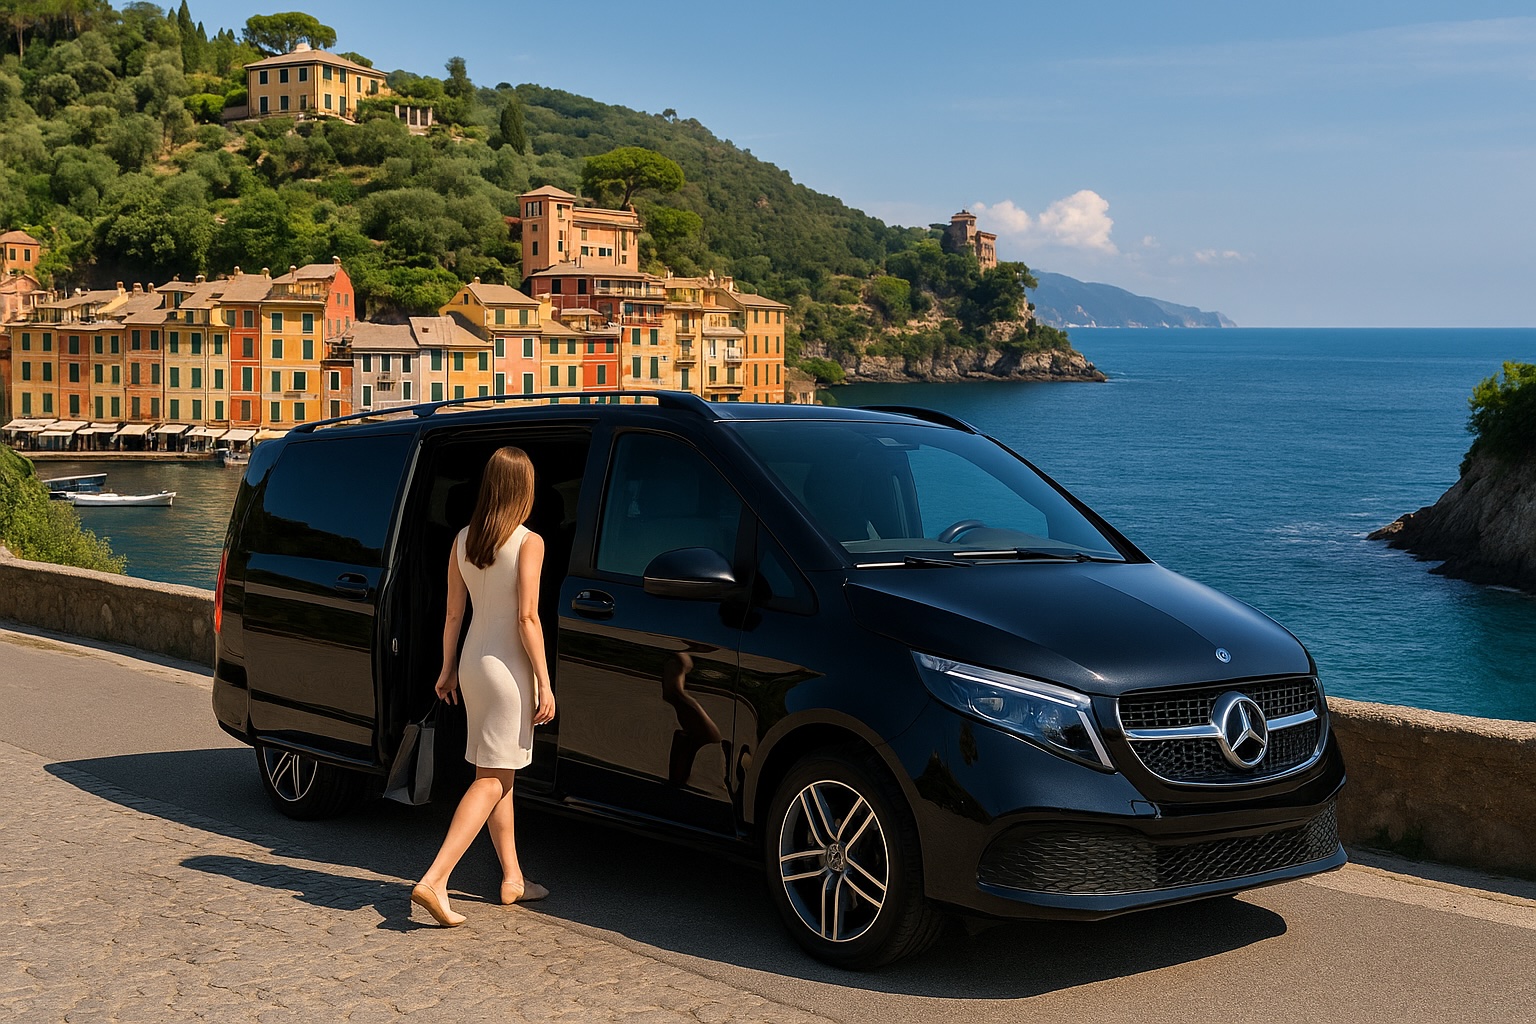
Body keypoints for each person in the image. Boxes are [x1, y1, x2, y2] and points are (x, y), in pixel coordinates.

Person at [412, 447, 556, 927]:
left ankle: (513, 877)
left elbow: (454, 614)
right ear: (524, 490)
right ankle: (435, 879)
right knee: (491, 777)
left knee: (500, 773)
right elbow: (527, 617)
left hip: (474, 662)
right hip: (508, 670)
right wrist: (544, 680)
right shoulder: (529, 542)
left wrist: (447, 668)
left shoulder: (462, 541)